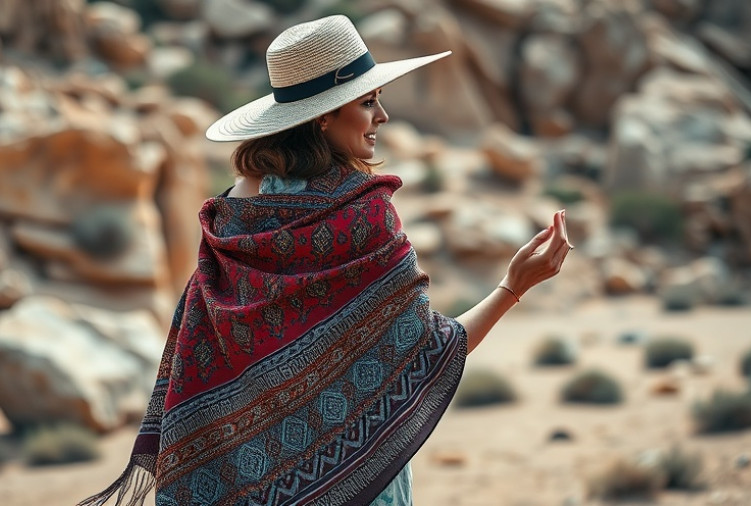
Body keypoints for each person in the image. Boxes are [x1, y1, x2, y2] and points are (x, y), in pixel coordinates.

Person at [80, 14, 571, 506]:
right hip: (362, 480)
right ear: (324, 116)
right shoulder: (363, 216)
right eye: (368, 101)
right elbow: (428, 350)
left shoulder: (232, 216)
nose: (382, 116)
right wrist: (513, 287)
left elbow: (207, 373)